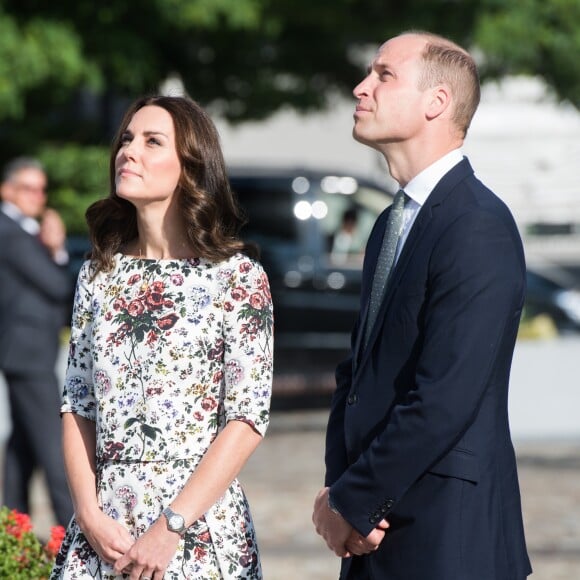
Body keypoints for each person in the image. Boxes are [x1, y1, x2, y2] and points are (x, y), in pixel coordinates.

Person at [312, 31, 532, 580]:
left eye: (384, 75)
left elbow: (444, 396)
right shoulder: (390, 222)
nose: (362, 88)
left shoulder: (478, 225)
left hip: (446, 541)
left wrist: (351, 500)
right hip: (373, 535)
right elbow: (357, 374)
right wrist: (342, 493)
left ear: (437, 103)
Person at [50, 95, 273, 580]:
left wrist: (170, 526)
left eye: (152, 141)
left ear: (190, 167)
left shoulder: (236, 277)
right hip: (105, 528)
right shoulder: (100, 273)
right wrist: (87, 514)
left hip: (194, 529)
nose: (129, 151)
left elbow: (247, 416)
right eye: (127, 139)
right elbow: (77, 402)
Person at [0, 157, 74, 527]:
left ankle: (14, 533)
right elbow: (57, 284)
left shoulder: (19, 230)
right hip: (27, 356)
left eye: (42, 189)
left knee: (22, 450)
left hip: (25, 354)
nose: (39, 196)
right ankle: (73, 534)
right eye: (29, 188)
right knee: (54, 448)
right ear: (7, 190)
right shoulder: (11, 232)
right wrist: (57, 248)